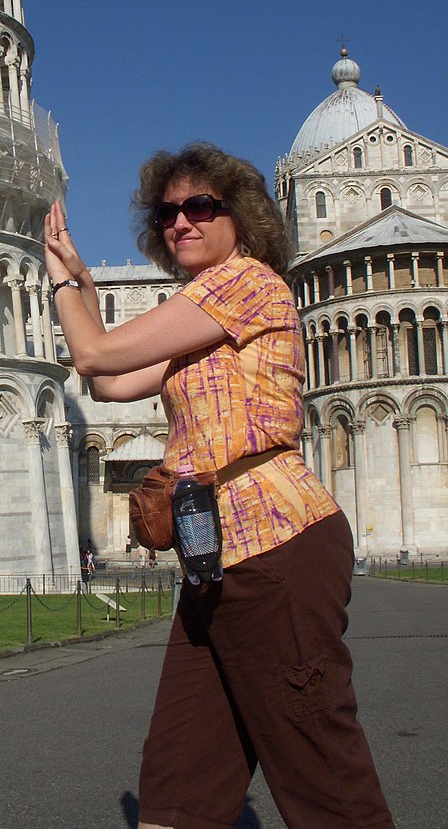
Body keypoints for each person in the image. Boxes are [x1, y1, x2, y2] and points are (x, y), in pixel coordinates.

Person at [44, 143, 394, 829]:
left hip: (277, 546)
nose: (181, 220)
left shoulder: (248, 284)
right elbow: (111, 381)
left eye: (200, 205)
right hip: (213, 563)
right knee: (177, 788)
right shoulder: (200, 317)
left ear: (243, 215)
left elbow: (94, 353)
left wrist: (59, 285)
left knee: (322, 775)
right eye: (168, 211)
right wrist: (82, 278)